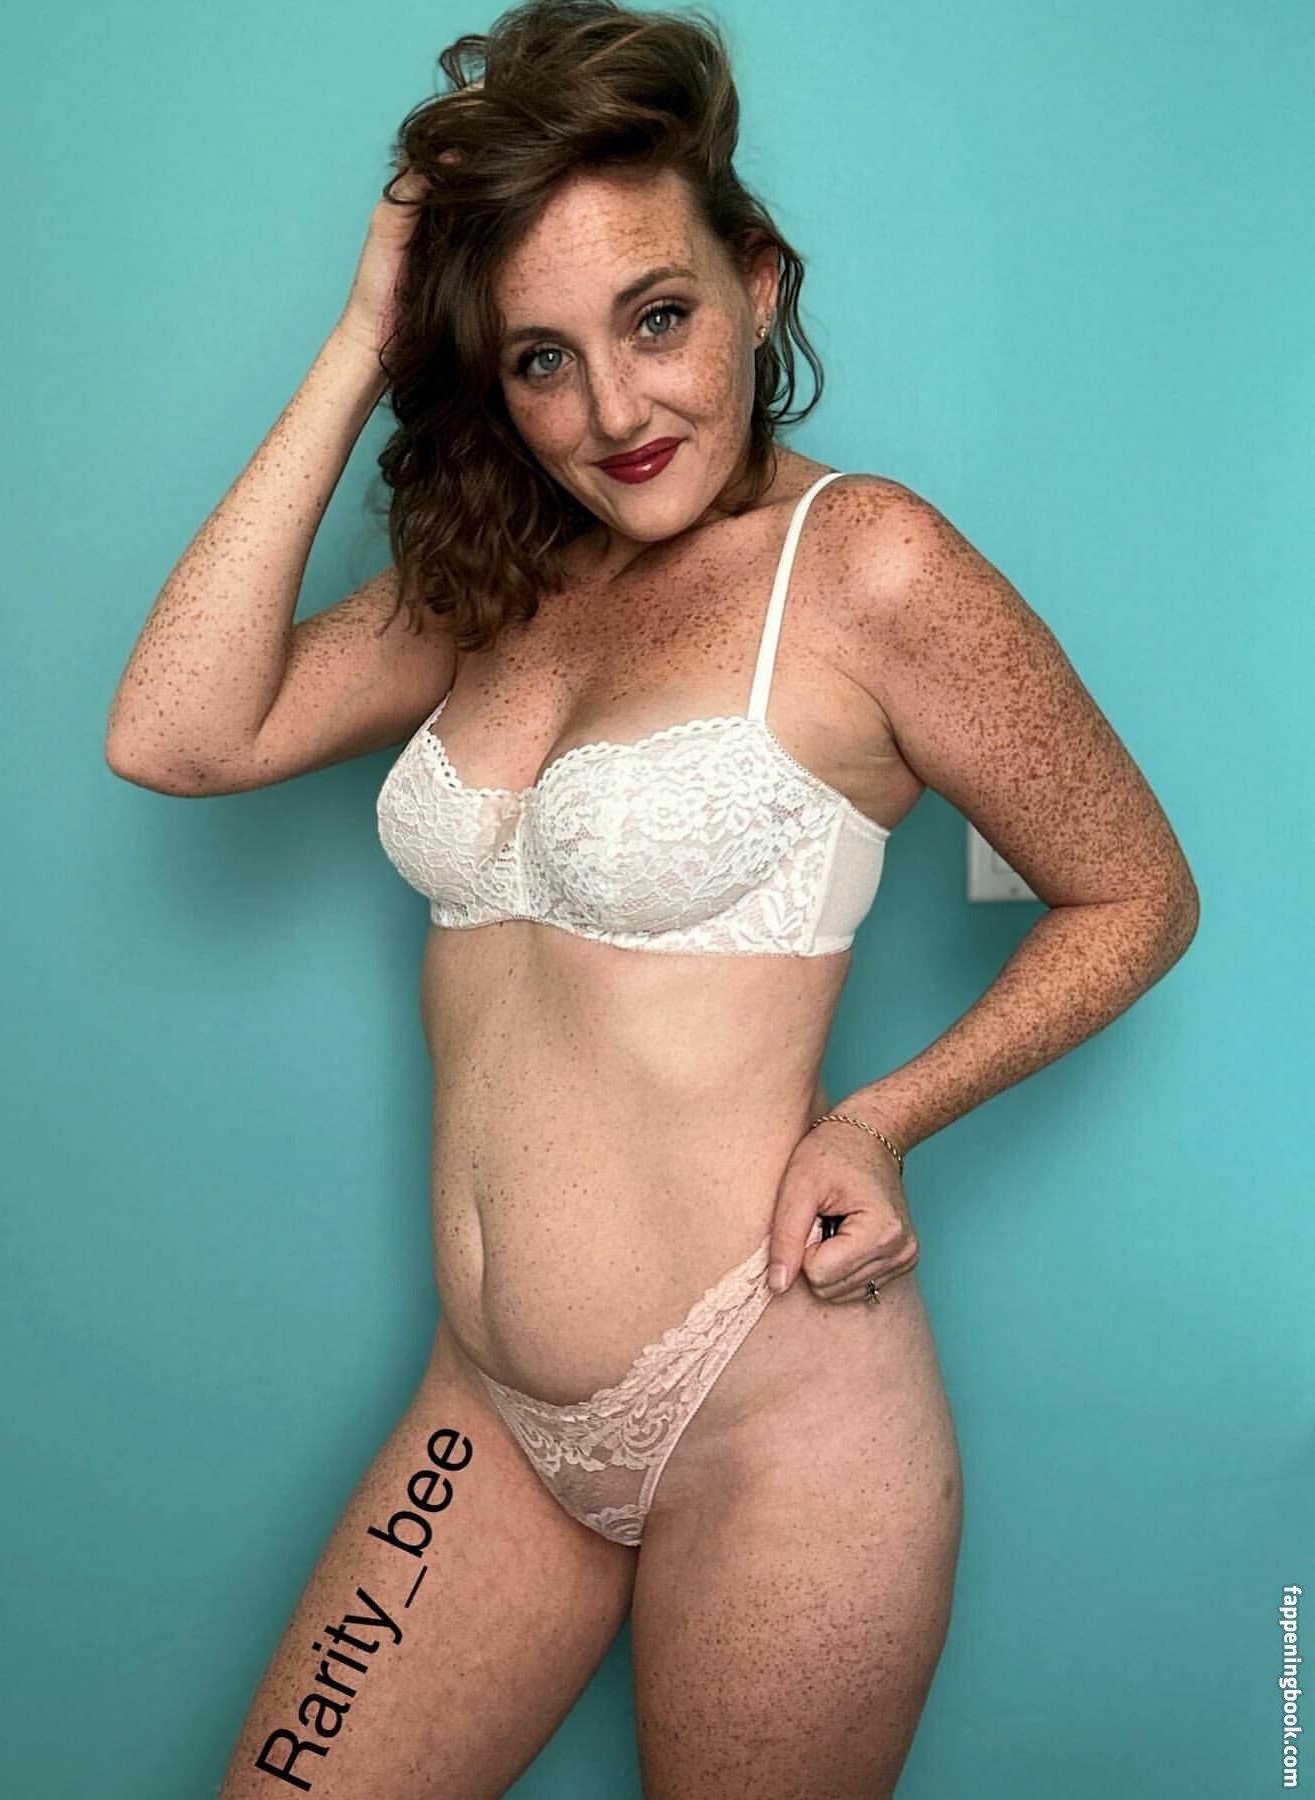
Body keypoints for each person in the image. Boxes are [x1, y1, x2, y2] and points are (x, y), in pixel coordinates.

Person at [105, 4, 1200, 1794]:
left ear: (756, 284)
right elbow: (176, 734)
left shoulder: (869, 566)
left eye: (659, 318)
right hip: (486, 1418)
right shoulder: (493, 576)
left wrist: (882, 1121)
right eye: (539, 357)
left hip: (775, 1415)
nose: (612, 412)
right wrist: (366, 333)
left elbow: (1135, 893)